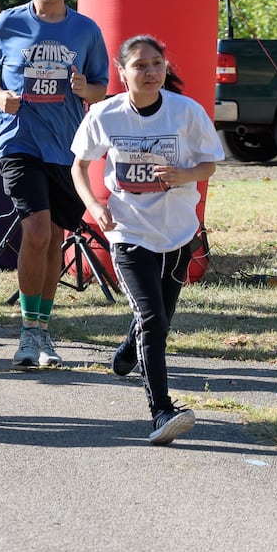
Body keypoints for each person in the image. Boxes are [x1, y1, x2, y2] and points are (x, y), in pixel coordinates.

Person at [71, 35, 222, 445]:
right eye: (140, 65)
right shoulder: (106, 114)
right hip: (128, 232)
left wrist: (184, 176)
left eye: (157, 63)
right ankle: (161, 412)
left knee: (159, 321)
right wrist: (95, 208)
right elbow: (79, 166)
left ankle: (126, 353)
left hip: (177, 232)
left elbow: (210, 164)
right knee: (153, 319)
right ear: (122, 72)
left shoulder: (186, 112)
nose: (151, 72)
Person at [0, 0, 109, 369]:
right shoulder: (10, 23)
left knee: (54, 238)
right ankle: (28, 334)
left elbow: (101, 85)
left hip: (66, 147)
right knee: (35, 230)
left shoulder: (85, 29)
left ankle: (43, 329)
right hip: (20, 142)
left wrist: (84, 89)